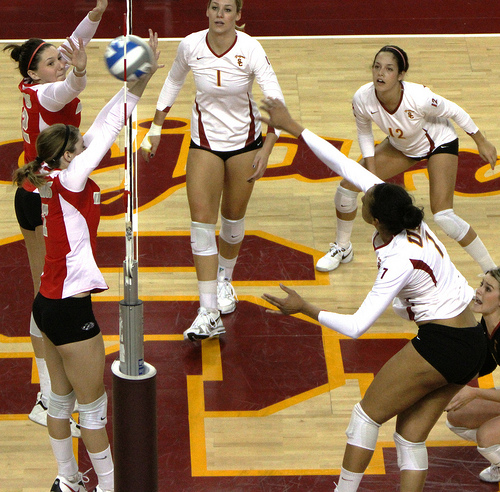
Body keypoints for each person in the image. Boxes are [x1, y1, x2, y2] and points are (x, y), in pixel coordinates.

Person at [259, 98, 488, 492]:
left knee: (365, 417)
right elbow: (344, 164)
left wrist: (305, 308)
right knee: (409, 436)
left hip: (444, 343)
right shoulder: (406, 219)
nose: (361, 196)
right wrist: (296, 128)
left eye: (365, 201)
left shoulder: (398, 259)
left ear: (377, 220)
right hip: (473, 342)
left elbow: (356, 327)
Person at [12, 30, 160, 492]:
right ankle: (109, 487)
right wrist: (142, 75)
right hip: (71, 311)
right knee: (92, 412)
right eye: (78, 146)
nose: (85, 148)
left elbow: (100, 127)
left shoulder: (49, 176)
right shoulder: (74, 178)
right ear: (69, 155)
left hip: (45, 305)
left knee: (59, 403)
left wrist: (138, 79)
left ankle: (68, 480)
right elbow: (110, 124)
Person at [140, 0, 284, 341]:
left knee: (232, 218)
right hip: (204, 144)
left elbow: (275, 99)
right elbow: (173, 83)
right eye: (215, 8)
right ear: (207, 12)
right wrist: (156, 128)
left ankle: (224, 280)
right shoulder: (190, 45)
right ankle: (208, 311)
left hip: (245, 144)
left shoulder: (250, 49)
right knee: (201, 224)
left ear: (238, 16)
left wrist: (268, 147)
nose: (221, 15)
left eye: (228, 10)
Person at [3, 0, 108, 434]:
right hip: (43, 199)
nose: (61, 62)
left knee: (47, 290)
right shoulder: (48, 91)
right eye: (52, 61)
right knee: (45, 294)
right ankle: (48, 393)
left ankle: (51, 395)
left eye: (60, 57)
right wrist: (80, 72)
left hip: (41, 192)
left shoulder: (39, 80)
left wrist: (98, 12)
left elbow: (75, 44)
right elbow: (68, 88)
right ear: (34, 74)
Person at [315, 45, 497, 274]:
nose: (380, 73)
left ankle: (492, 270)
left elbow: (455, 111)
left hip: (438, 143)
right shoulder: (362, 97)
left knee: (443, 216)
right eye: (377, 67)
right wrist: (369, 176)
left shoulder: (419, 98)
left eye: (389, 69)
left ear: (400, 75)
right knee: (346, 188)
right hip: (402, 147)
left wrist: (481, 141)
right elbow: (364, 133)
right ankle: (342, 248)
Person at [445, 268, 500, 483]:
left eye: (488, 289)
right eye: (481, 285)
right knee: (457, 416)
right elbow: (478, 366)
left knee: (486, 438)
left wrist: (474, 393)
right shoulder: (488, 326)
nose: (478, 292)